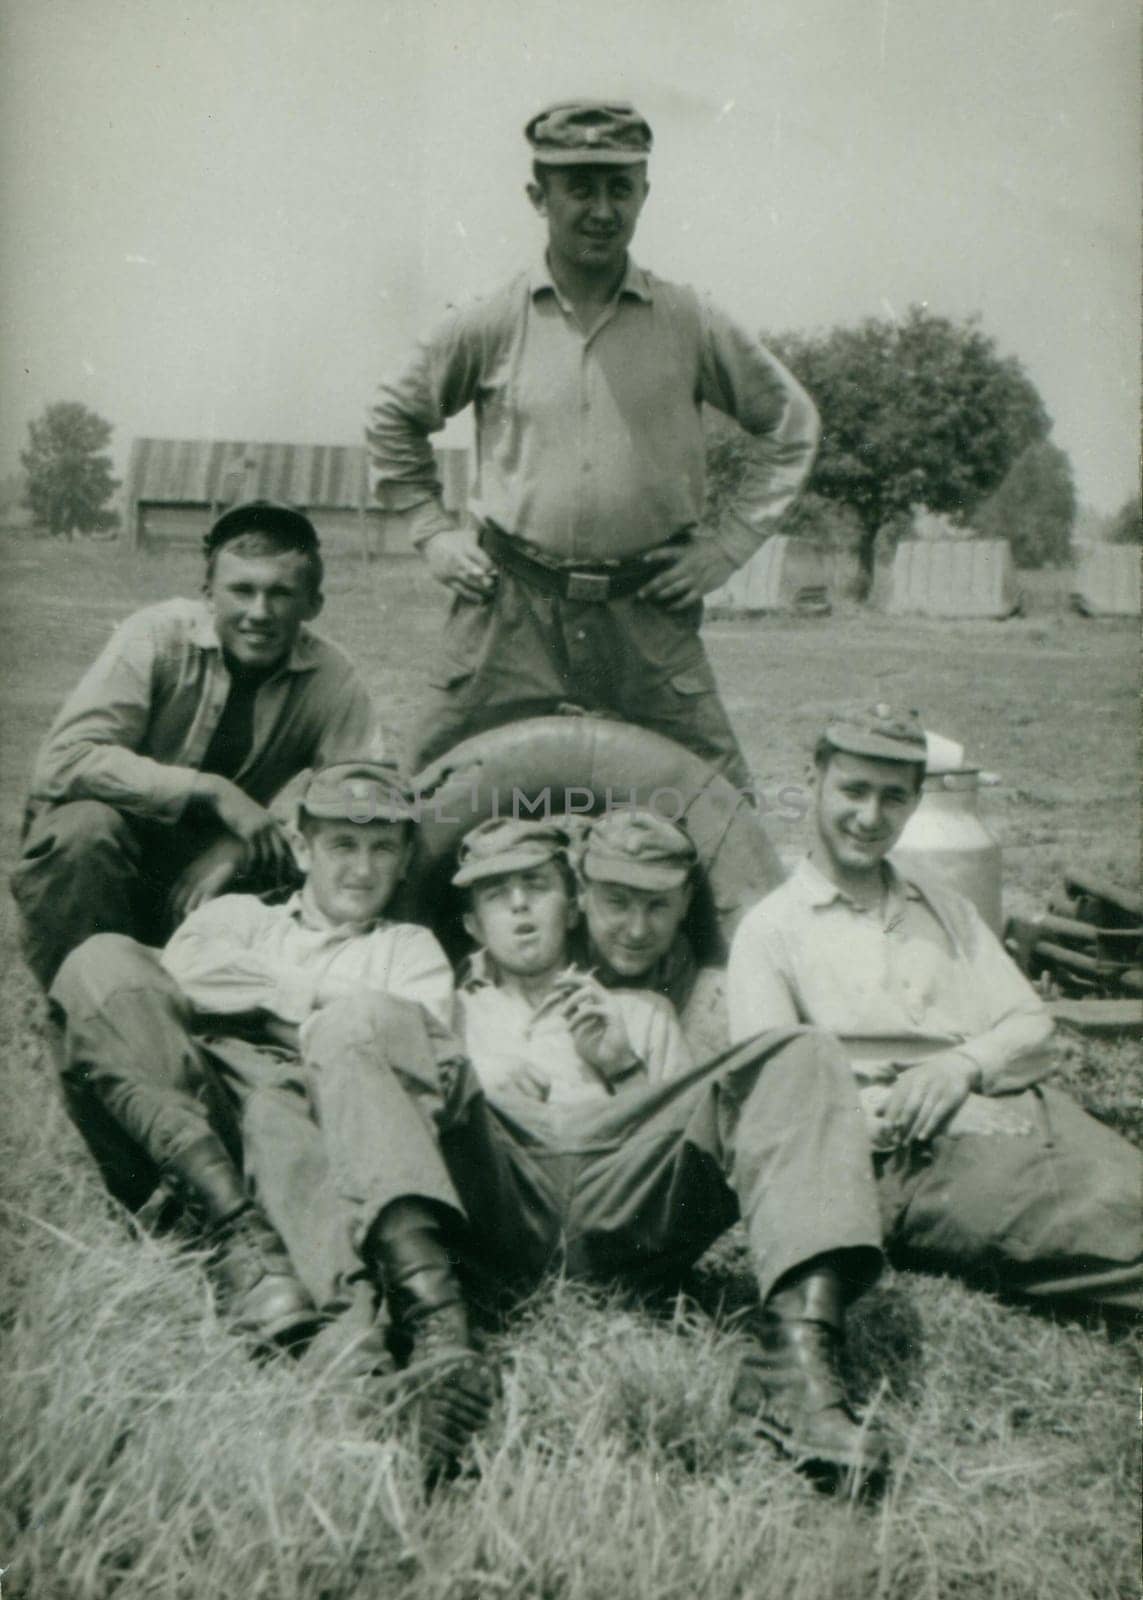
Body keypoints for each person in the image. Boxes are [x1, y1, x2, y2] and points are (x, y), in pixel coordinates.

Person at [283, 816, 894, 1481]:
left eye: (535, 886)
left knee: (802, 1051)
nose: (518, 906)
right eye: (496, 894)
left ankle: (794, 1371)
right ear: (469, 923)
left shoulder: (639, 1010)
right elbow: (379, 1108)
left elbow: (694, 1145)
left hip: (623, 1195)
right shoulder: (442, 1012)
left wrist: (622, 1066)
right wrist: (472, 1084)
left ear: (570, 902)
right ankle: (438, 1337)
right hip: (499, 1188)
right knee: (355, 1019)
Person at [367, 100, 819, 783]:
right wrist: (432, 530)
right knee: (422, 801)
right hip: (507, 610)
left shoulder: (688, 318)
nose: (601, 209)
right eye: (578, 187)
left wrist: (725, 549)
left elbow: (791, 425)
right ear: (537, 196)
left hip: (647, 615)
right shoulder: (490, 318)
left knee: (720, 815)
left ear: (644, 193)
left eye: (619, 187)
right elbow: (393, 416)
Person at [726, 704, 1143, 1313]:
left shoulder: (943, 906)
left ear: (916, 801)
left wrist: (962, 1068)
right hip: (906, 1152)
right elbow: (775, 1100)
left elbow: (1033, 1028)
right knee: (1106, 1240)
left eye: (893, 798)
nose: (870, 817)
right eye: (854, 790)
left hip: (1019, 1110)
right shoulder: (771, 932)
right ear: (812, 779)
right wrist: (916, 1107)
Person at [45, 764, 455, 1375]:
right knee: (99, 963)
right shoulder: (238, 916)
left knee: (277, 1105)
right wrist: (314, 997)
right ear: (301, 846)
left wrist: (255, 1002)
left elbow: (408, 1047)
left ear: (403, 860)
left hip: (315, 1126)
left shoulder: (411, 951)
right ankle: (233, 1225)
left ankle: (348, 1348)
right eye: (343, 844)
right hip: (192, 1116)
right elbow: (184, 970)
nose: (363, 869)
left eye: (382, 848)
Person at [12, 499, 383, 989]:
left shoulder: (332, 676)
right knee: (82, 829)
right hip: (116, 854)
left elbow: (368, 794)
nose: (259, 612)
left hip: (213, 869)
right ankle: (79, 999)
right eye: (242, 590)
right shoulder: (156, 636)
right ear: (209, 594)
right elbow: (63, 760)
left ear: (313, 604)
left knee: (325, 860)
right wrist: (210, 790)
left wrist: (242, 844)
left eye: (281, 593)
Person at [571, 807, 730, 1058]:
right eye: (618, 903)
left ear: (685, 901)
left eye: (657, 905)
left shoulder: (707, 996)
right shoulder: (541, 968)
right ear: (581, 892)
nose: (637, 931)